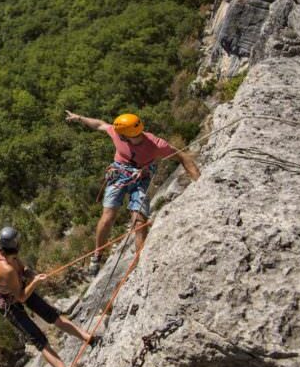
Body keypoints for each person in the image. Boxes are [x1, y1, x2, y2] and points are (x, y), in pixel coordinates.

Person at [65, 111, 200, 274]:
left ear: (126, 135)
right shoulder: (117, 132)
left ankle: (139, 262)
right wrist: (79, 118)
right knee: (108, 217)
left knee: (139, 221)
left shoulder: (156, 145)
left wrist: (200, 183)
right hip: (119, 174)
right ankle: (97, 255)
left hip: (141, 178)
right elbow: (99, 124)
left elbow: (182, 156)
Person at [0, 226, 94, 367]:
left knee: (53, 316)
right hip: (10, 304)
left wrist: (32, 275)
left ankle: (88, 338)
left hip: (20, 288)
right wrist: (35, 283)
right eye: (17, 240)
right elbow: (20, 298)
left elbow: (22, 268)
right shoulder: (5, 268)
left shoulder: (9, 254)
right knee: (39, 339)